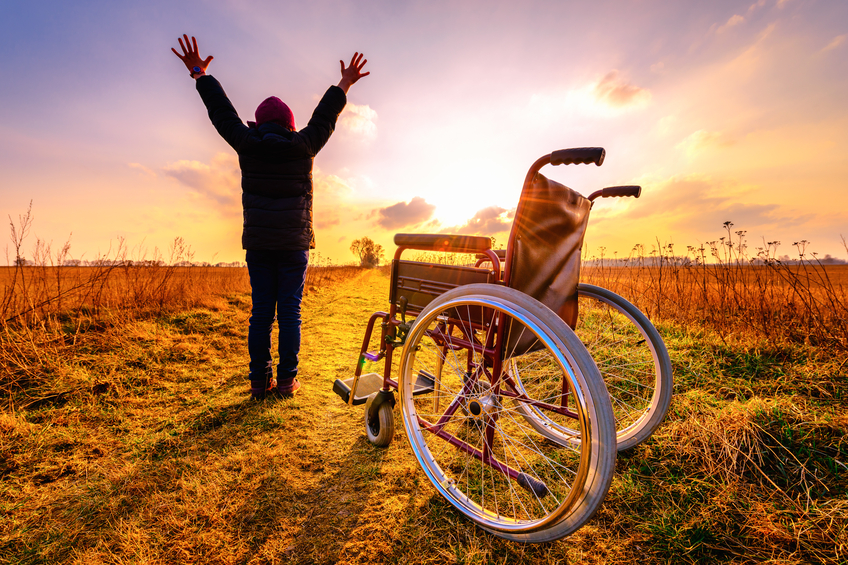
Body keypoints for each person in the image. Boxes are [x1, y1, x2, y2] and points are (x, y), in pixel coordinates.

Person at [171, 35, 369, 400]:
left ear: (259, 124)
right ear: (291, 124)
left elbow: (221, 112)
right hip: (294, 244)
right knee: (290, 312)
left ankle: (260, 382)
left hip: (260, 244)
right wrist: (345, 83)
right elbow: (326, 116)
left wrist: (200, 74)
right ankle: (288, 380)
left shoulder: (247, 143)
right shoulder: (304, 146)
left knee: (261, 311)